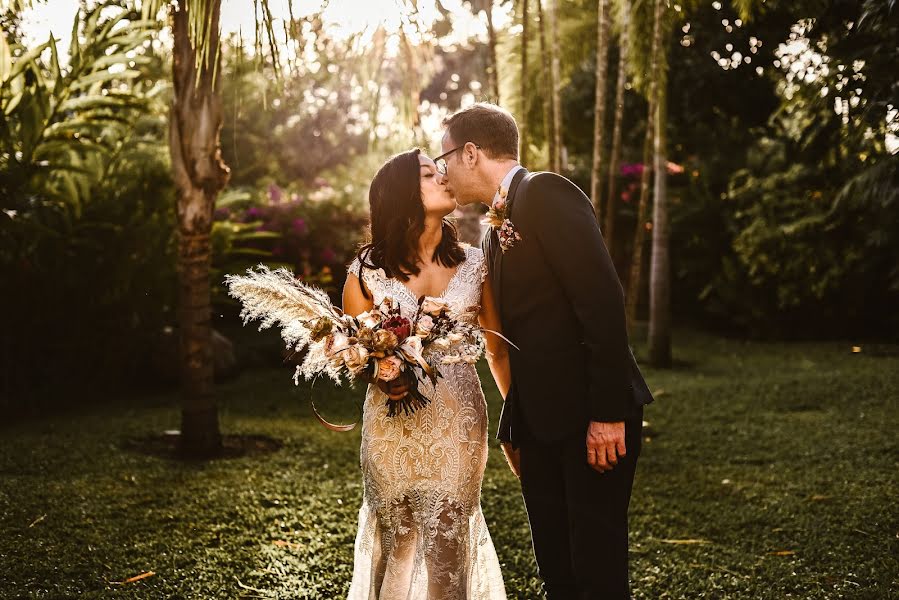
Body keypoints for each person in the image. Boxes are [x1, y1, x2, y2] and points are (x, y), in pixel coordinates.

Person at [435, 102, 655, 600]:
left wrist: (607, 414)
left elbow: (600, 300)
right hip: (539, 427)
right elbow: (516, 337)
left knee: (595, 574)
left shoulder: (547, 193)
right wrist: (516, 422)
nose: (443, 168)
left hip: (589, 421)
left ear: (471, 153)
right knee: (558, 574)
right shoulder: (494, 229)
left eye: (444, 155)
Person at [342, 148, 508, 600]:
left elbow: (498, 350)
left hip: (459, 425)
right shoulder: (366, 273)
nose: (443, 177)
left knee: (448, 545)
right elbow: (354, 355)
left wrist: (514, 424)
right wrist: (383, 369)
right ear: (400, 194)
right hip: (392, 427)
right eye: (428, 173)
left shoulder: (474, 263)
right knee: (398, 542)